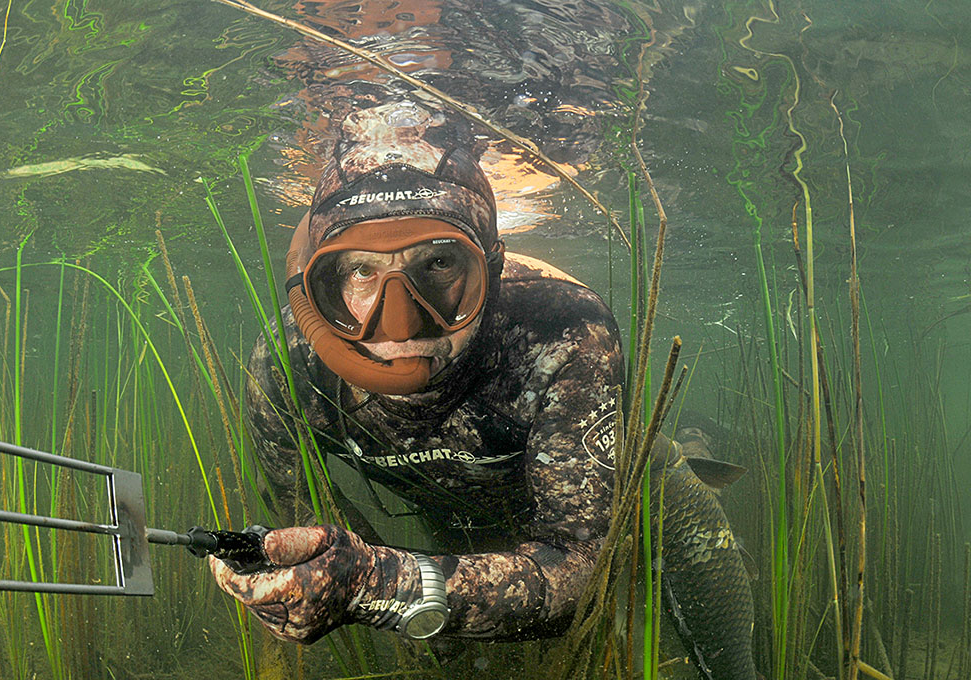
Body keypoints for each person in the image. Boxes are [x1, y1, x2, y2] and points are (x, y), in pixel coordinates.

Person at [210, 103, 756, 675]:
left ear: (490, 271)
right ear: (316, 291)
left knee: (689, 529)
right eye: (361, 272)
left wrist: (379, 583)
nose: (401, 322)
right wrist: (338, 580)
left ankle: (684, 452)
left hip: (602, 492)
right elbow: (316, 530)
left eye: (441, 264)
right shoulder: (288, 368)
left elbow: (575, 572)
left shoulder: (562, 330)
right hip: (455, 506)